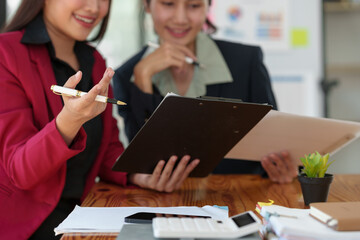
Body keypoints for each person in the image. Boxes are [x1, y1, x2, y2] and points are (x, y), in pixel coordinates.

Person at [0, 0, 199, 239]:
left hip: (82, 217)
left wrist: (138, 175)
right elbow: (19, 171)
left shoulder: (94, 61)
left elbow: (107, 149)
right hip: (26, 227)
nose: (94, 8)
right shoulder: (5, 54)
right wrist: (69, 121)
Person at [112, 0, 298, 184]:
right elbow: (143, 164)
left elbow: (274, 143)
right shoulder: (127, 75)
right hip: (163, 204)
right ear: (146, 5)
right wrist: (143, 78)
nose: (180, 18)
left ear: (209, 7)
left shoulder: (245, 61)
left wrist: (283, 170)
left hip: (239, 197)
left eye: (194, 6)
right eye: (168, 4)